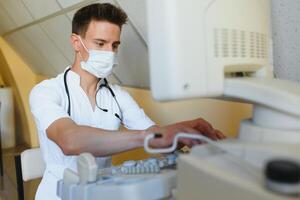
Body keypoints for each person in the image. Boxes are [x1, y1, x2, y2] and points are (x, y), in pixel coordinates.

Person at [29, 3, 225, 200]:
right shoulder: (46, 91)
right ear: (76, 43)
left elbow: (156, 137)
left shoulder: (117, 95)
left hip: (102, 191)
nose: (109, 53)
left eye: (114, 45)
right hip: (59, 193)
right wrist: (147, 137)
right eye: (100, 43)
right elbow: (69, 140)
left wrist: (186, 132)